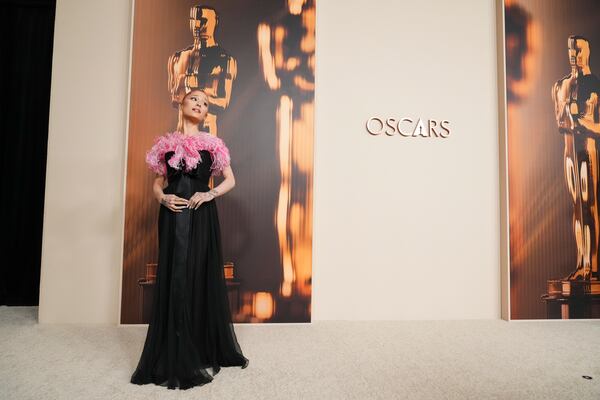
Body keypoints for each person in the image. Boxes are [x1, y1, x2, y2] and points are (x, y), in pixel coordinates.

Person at [130, 88, 249, 390]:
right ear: (181, 103)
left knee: (196, 274)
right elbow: (158, 184)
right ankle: (174, 351)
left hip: (200, 214)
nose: (200, 104)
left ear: (207, 113)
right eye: (195, 99)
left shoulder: (213, 144)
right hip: (172, 214)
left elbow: (230, 180)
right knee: (175, 276)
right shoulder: (165, 145)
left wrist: (209, 193)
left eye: (205, 103)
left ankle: (198, 347)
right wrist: (163, 199)